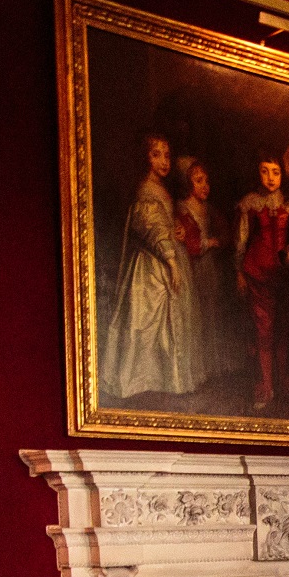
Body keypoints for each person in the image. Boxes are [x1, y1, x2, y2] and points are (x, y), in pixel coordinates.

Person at [104, 134, 190, 399]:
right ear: (145, 157)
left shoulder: (159, 188)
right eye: (156, 154)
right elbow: (151, 229)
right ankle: (140, 382)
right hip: (152, 265)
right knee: (146, 325)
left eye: (166, 154)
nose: (164, 161)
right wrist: (172, 261)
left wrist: (177, 229)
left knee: (164, 325)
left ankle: (164, 380)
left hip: (166, 257)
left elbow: (163, 224)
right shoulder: (146, 190)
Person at [234, 159, 289, 409]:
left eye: (276, 172)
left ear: (282, 175)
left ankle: (284, 386)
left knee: (283, 330)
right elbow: (240, 241)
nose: (270, 177)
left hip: (282, 277)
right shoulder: (249, 204)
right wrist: (238, 272)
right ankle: (266, 388)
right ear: (257, 174)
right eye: (265, 172)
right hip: (257, 274)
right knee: (263, 330)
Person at [165, 155, 221, 393]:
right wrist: (209, 242)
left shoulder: (208, 208)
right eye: (199, 181)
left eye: (206, 180)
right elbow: (190, 244)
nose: (205, 185)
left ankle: (209, 366)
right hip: (192, 269)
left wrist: (220, 240)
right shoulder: (182, 208)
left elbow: (225, 233)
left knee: (210, 315)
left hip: (209, 269)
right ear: (188, 184)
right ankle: (196, 370)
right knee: (194, 317)